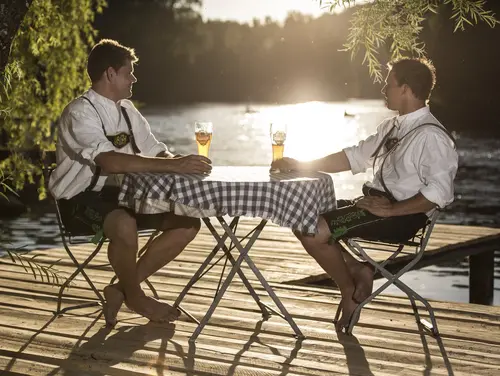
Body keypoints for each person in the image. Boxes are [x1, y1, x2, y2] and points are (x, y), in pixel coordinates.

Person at [271, 58, 458, 332]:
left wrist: (391, 210)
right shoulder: (392, 127)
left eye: (389, 84)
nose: (384, 89)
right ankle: (360, 270)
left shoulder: (431, 137)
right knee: (301, 213)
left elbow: (440, 193)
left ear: (405, 88)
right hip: (373, 206)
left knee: (315, 231)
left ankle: (348, 291)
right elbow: (352, 157)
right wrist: (301, 164)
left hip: (403, 216)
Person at [49, 39, 212, 327]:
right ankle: (136, 297)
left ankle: (120, 290)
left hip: (123, 196)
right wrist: (173, 165)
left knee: (187, 224)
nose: (134, 78)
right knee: (124, 223)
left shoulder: (126, 109)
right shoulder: (80, 112)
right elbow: (110, 162)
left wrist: (182, 162)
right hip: (78, 200)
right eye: (129, 72)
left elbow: (154, 149)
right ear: (111, 74)